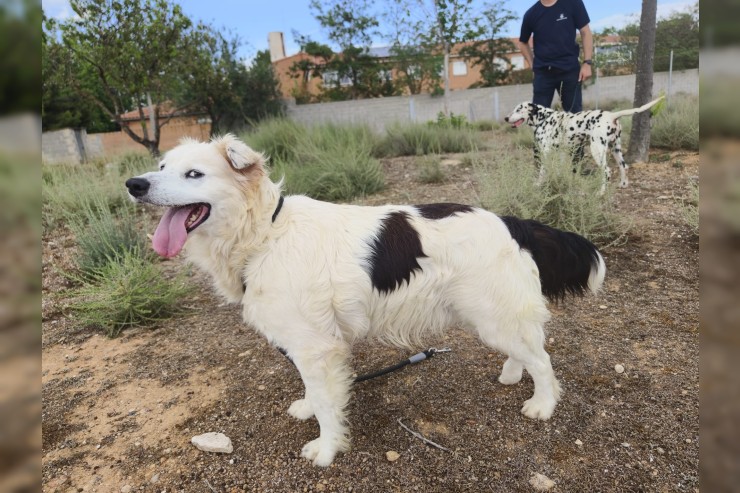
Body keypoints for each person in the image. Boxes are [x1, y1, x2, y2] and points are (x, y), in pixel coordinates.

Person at [518, 0, 593, 113]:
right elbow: (522, 43)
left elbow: (585, 32)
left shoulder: (573, 3)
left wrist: (587, 63)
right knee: (538, 118)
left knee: (574, 118)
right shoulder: (531, 14)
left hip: (569, 71)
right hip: (543, 75)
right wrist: (533, 66)